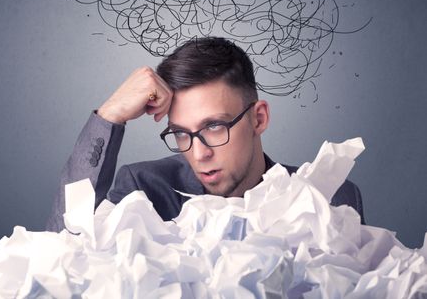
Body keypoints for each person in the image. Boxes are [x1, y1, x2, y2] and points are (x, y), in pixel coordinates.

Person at [46, 37, 364, 232]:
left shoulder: (328, 195)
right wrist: (110, 115)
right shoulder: (143, 191)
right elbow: (61, 250)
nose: (199, 154)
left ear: (259, 118)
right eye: (182, 133)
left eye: (214, 126)